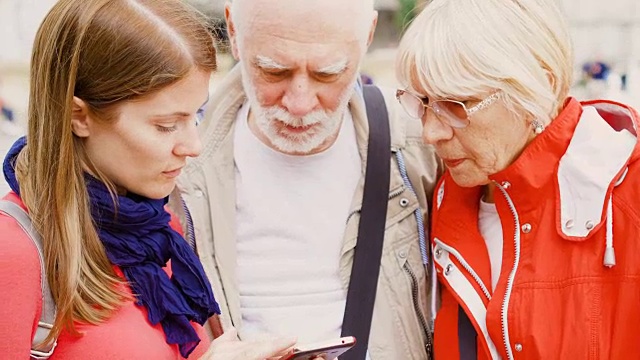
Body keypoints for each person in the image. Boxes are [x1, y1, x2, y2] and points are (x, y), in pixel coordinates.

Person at [0, 0, 295, 359]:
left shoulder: (160, 229)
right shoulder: (14, 253)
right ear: (79, 116)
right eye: (166, 125)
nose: (193, 145)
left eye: (196, 115)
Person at [172, 0, 441, 359]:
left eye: (328, 74)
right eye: (274, 71)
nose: (299, 103)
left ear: (368, 37)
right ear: (234, 34)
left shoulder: (422, 146)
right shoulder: (172, 164)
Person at [396, 0, 640, 359]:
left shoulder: (627, 194)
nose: (430, 133)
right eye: (423, 103)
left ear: (539, 85)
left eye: (455, 105)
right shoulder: (442, 196)